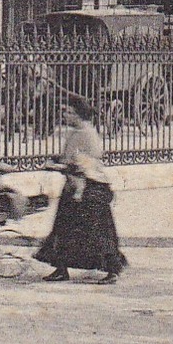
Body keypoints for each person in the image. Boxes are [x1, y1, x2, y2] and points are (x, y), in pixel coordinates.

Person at [34, 99, 128, 284]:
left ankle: (112, 270)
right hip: (74, 187)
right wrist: (57, 163)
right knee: (63, 228)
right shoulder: (75, 133)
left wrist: (60, 167)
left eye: (68, 112)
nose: (65, 115)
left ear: (78, 114)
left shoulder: (88, 135)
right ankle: (61, 268)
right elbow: (68, 159)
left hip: (90, 189)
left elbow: (86, 165)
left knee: (97, 233)